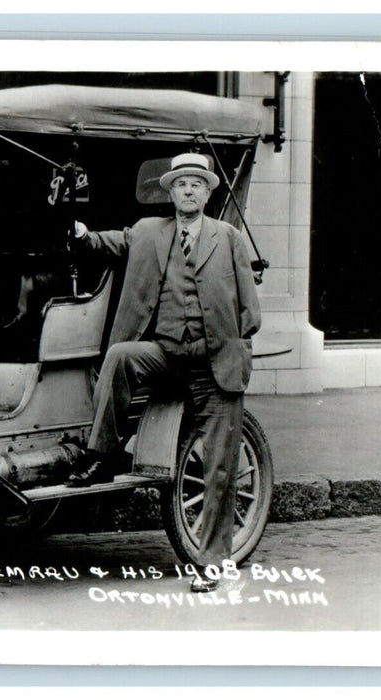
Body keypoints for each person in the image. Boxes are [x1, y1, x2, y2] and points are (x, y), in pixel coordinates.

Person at [65, 152, 261, 593]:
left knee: (219, 466)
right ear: (169, 191)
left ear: (208, 192)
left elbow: (250, 310)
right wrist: (78, 233)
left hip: (215, 366)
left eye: (196, 184)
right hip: (167, 354)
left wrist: (230, 344)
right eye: (180, 184)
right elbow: (106, 242)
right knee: (120, 356)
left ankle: (212, 563)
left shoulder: (228, 238)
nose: (188, 191)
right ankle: (102, 454)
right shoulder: (149, 232)